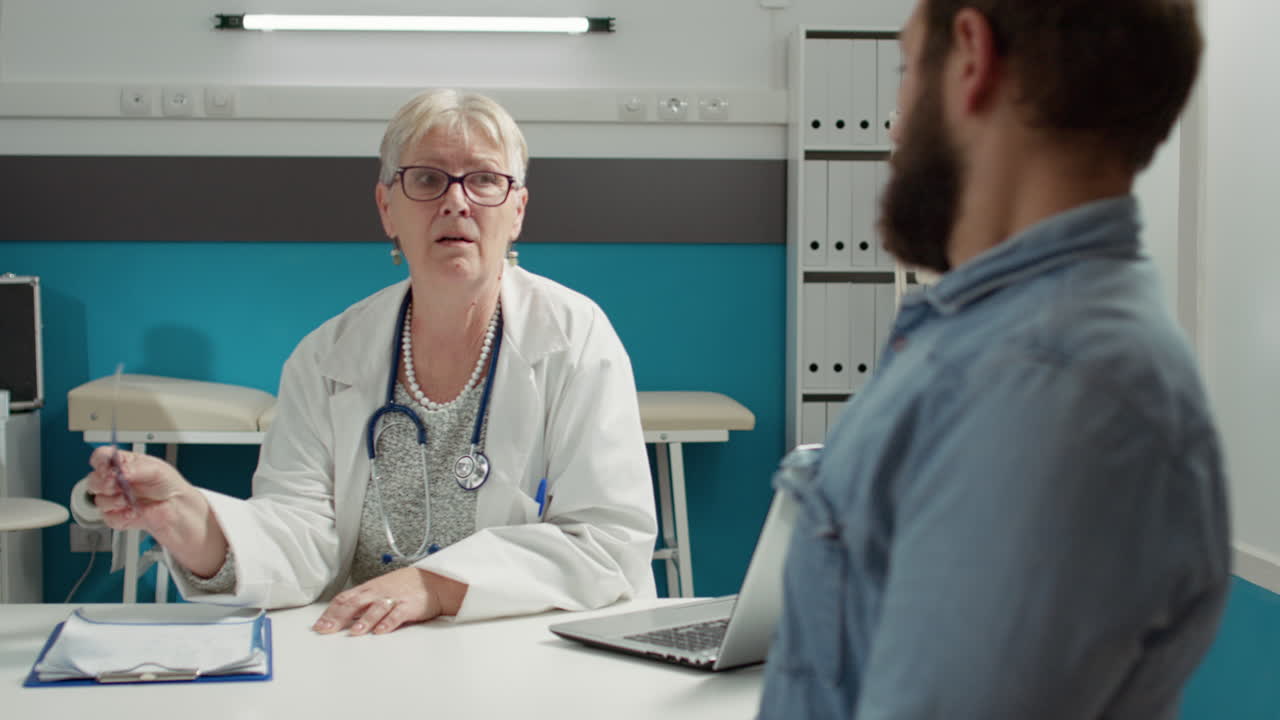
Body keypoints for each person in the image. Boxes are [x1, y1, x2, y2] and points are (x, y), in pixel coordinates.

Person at [759, 1, 1228, 718]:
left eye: (906, 69)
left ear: (972, 57)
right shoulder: (995, 344)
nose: (893, 126)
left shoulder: (1053, 388)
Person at [85, 88, 658, 635]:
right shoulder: (325, 358)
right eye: (427, 179)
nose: (456, 200)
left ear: (517, 212)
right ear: (387, 208)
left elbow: (606, 539)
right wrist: (185, 516)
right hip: (367, 647)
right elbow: (296, 535)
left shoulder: (574, 338)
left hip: (528, 651)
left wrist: (435, 587)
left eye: (484, 179)